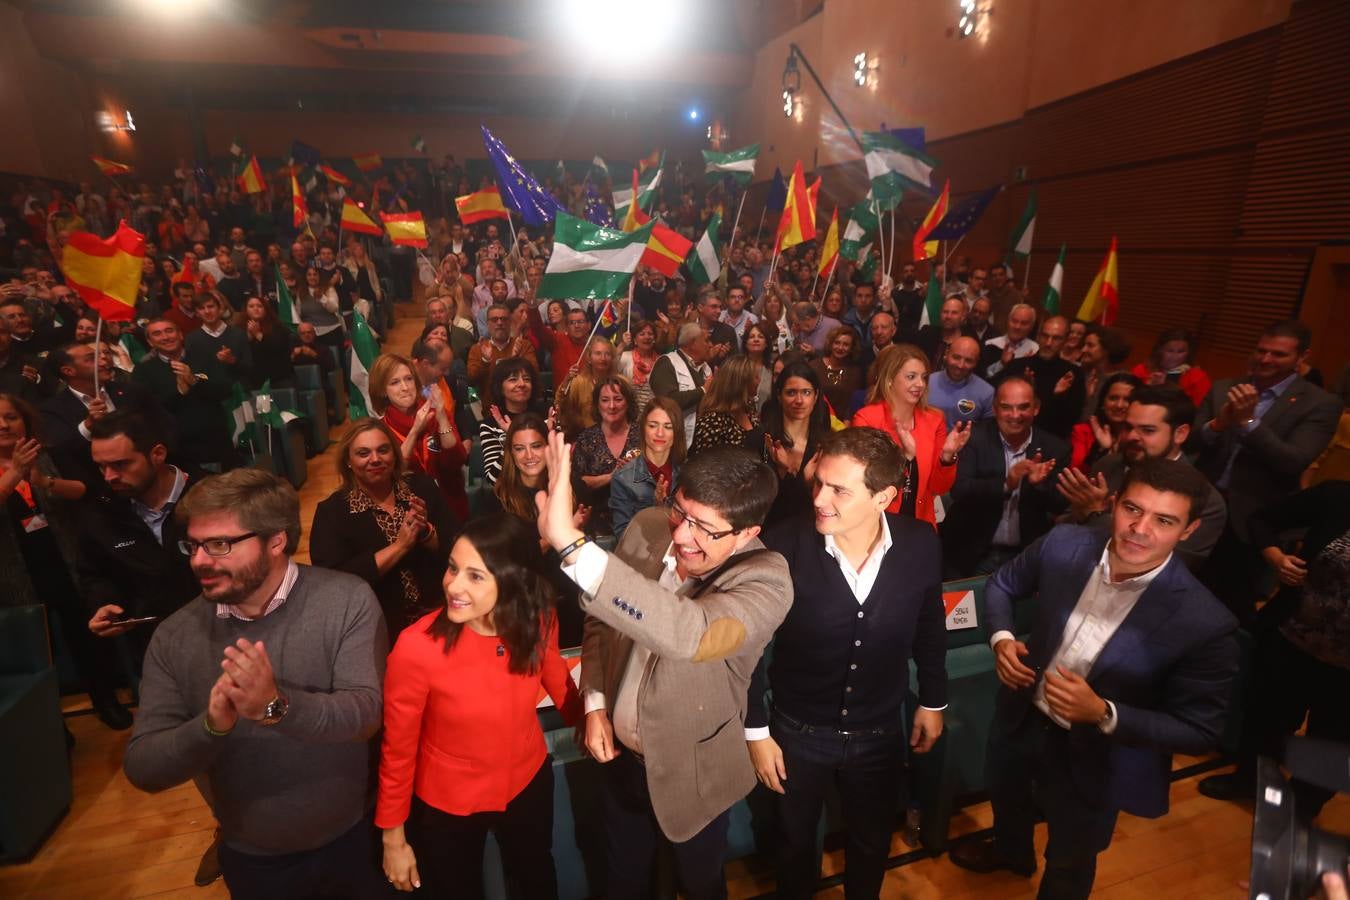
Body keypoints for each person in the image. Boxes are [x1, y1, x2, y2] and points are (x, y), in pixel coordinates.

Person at [949, 459, 1240, 900]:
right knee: (1006, 797)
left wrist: (1104, 713)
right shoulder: (1065, 543)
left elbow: (1200, 729)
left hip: (1096, 756)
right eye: (1133, 510)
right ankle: (1011, 854)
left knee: (1070, 856)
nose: (1140, 529)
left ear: (1189, 529)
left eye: (1164, 520)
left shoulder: (1205, 623)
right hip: (1022, 715)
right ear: (1113, 503)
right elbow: (1004, 584)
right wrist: (1002, 640)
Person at [122, 467, 390, 900]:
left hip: (354, 838)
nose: (199, 560)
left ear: (277, 540)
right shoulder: (175, 637)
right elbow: (145, 768)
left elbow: (364, 714)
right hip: (254, 859)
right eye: (194, 545)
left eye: (221, 544)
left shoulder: (345, 600)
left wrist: (276, 706)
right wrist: (211, 726)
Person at [542, 441, 792, 900]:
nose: (681, 536)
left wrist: (571, 546)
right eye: (681, 512)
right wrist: (595, 702)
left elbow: (691, 636)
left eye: (705, 528)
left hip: (692, 773)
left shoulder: (767, 582)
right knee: (622, 880)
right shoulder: (648, 525)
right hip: (619, 760)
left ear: (746, 532)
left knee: (699, 884)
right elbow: (601, 618)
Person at [748, 427, 947, 899]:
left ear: (884, 497)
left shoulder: (920, 544)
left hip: (879, 733)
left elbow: (929, 627)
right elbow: (748, 647)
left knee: (871, 842)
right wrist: (756, 733)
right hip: (797, 733)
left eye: (840, 490)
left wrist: (934, 702)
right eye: (819, 483)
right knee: (795, 848)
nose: (820, 499)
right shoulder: (783, 545)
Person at [377, 514, 583, 898]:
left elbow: (554, 673)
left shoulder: (538, 616)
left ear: (513, 580)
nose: (453, 585)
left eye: (475, 575)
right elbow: (398, 750)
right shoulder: (416, 647)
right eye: (453, 568)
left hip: (527, 780)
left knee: (537, 874)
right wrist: (394, 838)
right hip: (449, 800)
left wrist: (590, 723)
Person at [1195, 479, 1350, 811]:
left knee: (1331, 746)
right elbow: (1261, 520)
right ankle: (1247, 782)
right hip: (1292, 639)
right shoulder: (1339, 496)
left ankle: (1299, 812)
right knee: (1266, 722)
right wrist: (1277, 559)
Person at [1193, 320, 1342, 622]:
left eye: (1278, 354)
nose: (1265, 359)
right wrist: (1219, 425)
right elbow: (1191, 441)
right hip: (1201, 505)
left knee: (1227, 606)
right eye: (1261, 351)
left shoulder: (1320, 404)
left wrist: (1249, 423)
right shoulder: (1225, 388)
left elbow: (1293, 460)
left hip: (1251, 519)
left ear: (1302, 357)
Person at [0, 393, 131, 729]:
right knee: (37, 651)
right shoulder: (15, 463)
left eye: (11, 417)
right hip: (15, 575)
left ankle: (105, 701)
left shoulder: (47, 454)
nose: (3, 425)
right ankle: (51, 724)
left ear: (25, 420)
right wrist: (14, 472)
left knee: (87, 640)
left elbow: (85, 490)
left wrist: (45, 481)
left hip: (66, 562)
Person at [308, 419, 457, 640]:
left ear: (394, 455)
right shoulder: (332, 513)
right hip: (378, 628)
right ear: (348, 461)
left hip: (439, 614)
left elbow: (456, 544)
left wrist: (425, 533)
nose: (375, 459)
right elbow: (335, 583)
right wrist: (400, 546)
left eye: (383, 450)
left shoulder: (422, 488)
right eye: (363, 453)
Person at [1057, 385, 1226, 571]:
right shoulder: (1109, 465)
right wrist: (1081, 513)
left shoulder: (1207, 500)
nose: (1131, 436)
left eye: (1147, 430)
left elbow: (1170, 567)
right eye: (1128, 427)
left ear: (1180, 434)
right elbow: (1063, 523)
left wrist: (1095, 514)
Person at [940, 377, 1069, 577]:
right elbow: (960, 489)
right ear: (995, 409)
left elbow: (1060, 506)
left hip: (1025, 557)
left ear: (1036, 408)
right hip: (971, 553)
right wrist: (1006, 485)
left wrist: (1038, 485)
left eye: (1023, 407)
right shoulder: (974, 438)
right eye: (1006, 407)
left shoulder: (1055, 448)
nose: (1015, 415)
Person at [477, 413, 587, 647]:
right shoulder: (496, 500)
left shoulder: (573, 489)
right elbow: (507, 565)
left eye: (536, 446)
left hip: (569, 599)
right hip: (522, 605)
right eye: (520, 448)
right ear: (510, 454)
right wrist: (559, 536)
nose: (529, 456)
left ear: (548, 448)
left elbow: (587, 556)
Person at [851, 344, 970, 526]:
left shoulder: (934, 420)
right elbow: (866, 484)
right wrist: (905, 458)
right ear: (890, 379)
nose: (920, 384)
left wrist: (947, 458)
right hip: (877, 524)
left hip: (920, 524)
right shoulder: (867, 419)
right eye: (911, 377)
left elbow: (939, 487)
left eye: (924, 378)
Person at [40, 340, 162, 488]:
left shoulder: (132, 391)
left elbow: (162, 424)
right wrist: (87, 425)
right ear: (69, 371)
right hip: (103, 489)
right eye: (91, 358)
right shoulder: (52, 409)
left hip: (152, 475)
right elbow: (63, 452)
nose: (103, 361)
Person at [369, 353, 470, 521]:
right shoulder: (380, 429)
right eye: (395, 382)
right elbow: (392, 473)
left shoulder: (436, 412)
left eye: (408, 379)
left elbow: (457, 460)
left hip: (450, 504)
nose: (405, 387)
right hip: (408, 514)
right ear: (382, 390)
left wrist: (442, 416)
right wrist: (416, 430)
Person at [133, 317, 237, 470]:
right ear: (150, 342)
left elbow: (225, 391)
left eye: (169, 331)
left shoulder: (205, 357)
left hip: (215, 444)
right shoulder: (144, 370)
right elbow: (147, 409)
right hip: (177, 452)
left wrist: (195, 382)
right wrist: (179, 392)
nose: (166, 337)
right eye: (157, 334)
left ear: (180, 335)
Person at [759, 361, 836, 528]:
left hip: (812, 531)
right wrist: (781, 472)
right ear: (779, 396)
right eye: (791, 393)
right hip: (769, 533)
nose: (799, 400)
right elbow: (753, 501)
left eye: (806, 392)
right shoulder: (760, 439)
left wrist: (811, 485)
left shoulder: (826, 445)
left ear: (816, 396)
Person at [572, 377, 641, 536]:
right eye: (605, 400)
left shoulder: (641, 435)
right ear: (597, 404)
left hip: (637, 521)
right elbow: (577, 484)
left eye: (618, 399)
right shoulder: (586, 438)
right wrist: (612, 476)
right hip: (595, 521)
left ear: (628, 402)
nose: (611, 406)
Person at [997, 315, 1085, 440]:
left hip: (1051, 442)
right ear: (1038, 337)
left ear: (1065, 341)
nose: (1048, 343)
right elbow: (1000, 407)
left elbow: (1069, 420)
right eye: (1045, 336)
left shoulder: (1072, 375)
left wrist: (1057, 396)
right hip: (1011, 437)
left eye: (1056, 338)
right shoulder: (1017, 366)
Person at [609, 395, 684, 538]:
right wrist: (655, 508)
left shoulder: (686, 474)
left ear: (677, 432)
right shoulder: (623, 478)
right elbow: (623, 536)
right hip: (642, 556)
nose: (660, 433)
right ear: (643, 429)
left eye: (668, 427)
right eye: (653, 425)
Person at [479, 358, 548, 486]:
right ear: (500, 387)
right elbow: (493, 479)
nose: (521, 384)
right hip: (509, 496)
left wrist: (550, 437)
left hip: (546, 488)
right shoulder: (490, 424)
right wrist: (511, 436)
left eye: (527, 379)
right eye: (513, 379)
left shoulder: (546, 417)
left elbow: (560, 466)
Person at [650, 323, 712, 449]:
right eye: (706, 340)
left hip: (701, 445)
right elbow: (667, 401)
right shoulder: (666, 363)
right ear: (691, 343)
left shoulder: (706, 368)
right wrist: (703, 390)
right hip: (670, 443)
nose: (710, 345)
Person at [689, 355, 761, 458]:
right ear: (742, 382)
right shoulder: (712, 422)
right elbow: (705, 467)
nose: (759, 381)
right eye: (756, 377)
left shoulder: (748, 407)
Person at [1068, 372, 1140, 471]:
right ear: (1103, 402)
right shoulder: (1083, 432)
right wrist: (1101, 451)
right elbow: (1075, 474)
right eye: (1113, 398)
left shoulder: (1140, 437)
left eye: (1128, 399)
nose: (1119, 405)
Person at [466, 301, 539, 398]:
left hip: (520, 406)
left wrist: (517, 359)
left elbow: (534, 375)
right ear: (488, 324)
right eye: (494, 319)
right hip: (490, 407)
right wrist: (485, 361)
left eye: (504, 319)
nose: (499, 323)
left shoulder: (523, 345)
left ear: (510, 322)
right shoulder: (478, 349)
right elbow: (471, 381)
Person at [926, 335, 994, 430]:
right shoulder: (926, 382)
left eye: (968, 361)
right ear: (947, 354)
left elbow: (988, 432)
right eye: (956, 357)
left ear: (976, 362)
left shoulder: (987, 393)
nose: (960, 365)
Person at [184, 293, 252, 386]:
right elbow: (196, 373)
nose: (207, 311)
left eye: (211, 306)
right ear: (197, 313)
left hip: (238, 393)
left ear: (220, 309)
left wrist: (232, 361)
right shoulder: (191, 339)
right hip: (208, 395)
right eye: (201, 308)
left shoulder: (239, 334)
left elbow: (249, 369)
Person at [1130, 329, 1211, 406]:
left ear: (1188, 353)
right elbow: (1130, 398)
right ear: (1159, 350)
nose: (1174, 356)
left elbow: (1200, 411)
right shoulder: (1142, 370)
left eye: (1181, 351)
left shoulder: (1197, 377)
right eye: (1170, 351)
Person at [556, 337, 615, 439]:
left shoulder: (619, 383)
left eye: (607, 354)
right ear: (589, 357)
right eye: (598, 353)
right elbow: (561, 404)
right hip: (584, 437)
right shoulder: (579, 382)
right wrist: (566, 381)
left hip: (613, 435)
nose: (603, 358)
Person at [235, 296, 295, 389]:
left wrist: (258, 334)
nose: (256, 309)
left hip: (279, 377)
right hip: (253, 380)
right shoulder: (238, 330)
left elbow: (278, 347)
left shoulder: (278, 327)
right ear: (246, 310)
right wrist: (249, 338)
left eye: (259, 306)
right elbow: (239, 354)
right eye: (251, 306)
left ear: (266, 309)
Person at [809, 325, 863, 419]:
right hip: (817, 420)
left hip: (842, 424)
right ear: (831, 344)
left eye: (846, 344)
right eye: (837, 343)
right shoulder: (814, 366)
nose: (840, 347)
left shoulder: (855, 372)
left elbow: (850, 404)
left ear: (851, 348)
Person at [979, 303, 1038, 381]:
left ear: (1031, 327)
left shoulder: (1035, 350)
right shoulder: (991, 345)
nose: (1017, 327)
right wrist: (1001, 364)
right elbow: (982, 376)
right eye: (1014, 321)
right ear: (1008, 321)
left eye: (1024, 323)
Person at [617, 319, 660, 412]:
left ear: (654, 339)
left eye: (650, 334)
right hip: (629, 410)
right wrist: (622, 344)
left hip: (653, 410)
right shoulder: (625, 356)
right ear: (635, 340)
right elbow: (611, 369)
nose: (647, 337)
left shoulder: (661, 361)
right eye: (642, 334)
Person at [741, 320, 776, 415]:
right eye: (751, 337)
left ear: (767, 344)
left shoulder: (773, 369)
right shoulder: (737, 368)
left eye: (761, 337)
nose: (756, 340)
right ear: (745, 343)